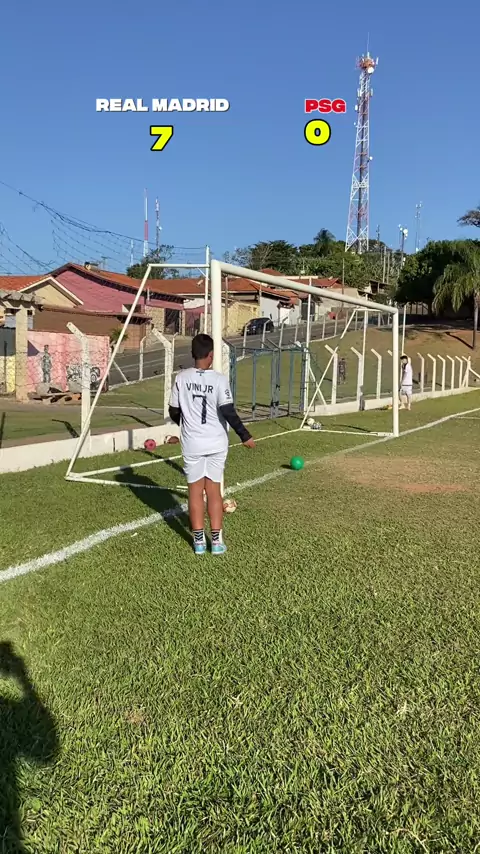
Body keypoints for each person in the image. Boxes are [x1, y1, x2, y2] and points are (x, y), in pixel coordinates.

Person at [168, 334, 255, 555]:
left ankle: (198, 542)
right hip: (216, 442)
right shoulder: (219, 379)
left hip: (192, 443)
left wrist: (187, 424)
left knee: (195, 492)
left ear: (192, 354)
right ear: (211, 355)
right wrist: (244, 435)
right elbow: (228, 411)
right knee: (214, 491)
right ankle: (216, 542)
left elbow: (174, 411)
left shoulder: (181, 378)